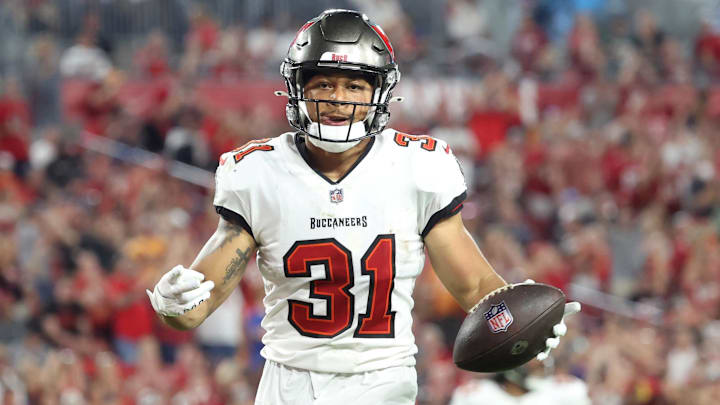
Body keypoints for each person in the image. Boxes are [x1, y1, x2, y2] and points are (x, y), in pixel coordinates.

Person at [146, 9, 580, 404]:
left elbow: (472, 285)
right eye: (324, 83)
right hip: (288, 384)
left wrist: (522, 321)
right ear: (297, 89)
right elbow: (199, 302)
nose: (338, 99)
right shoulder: (259, 172)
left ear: (379, 94)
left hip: (382, 382)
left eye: (355, 85)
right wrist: (174, 304)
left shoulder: (416, 167)